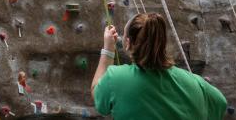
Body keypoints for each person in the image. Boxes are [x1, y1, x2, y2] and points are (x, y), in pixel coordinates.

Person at [92, 13, 227, 119]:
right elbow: (221, 102)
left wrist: (108, 49)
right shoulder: (195, 81)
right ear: (162, 43)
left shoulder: (116, 78)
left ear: (127, 43)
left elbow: (96, 93)